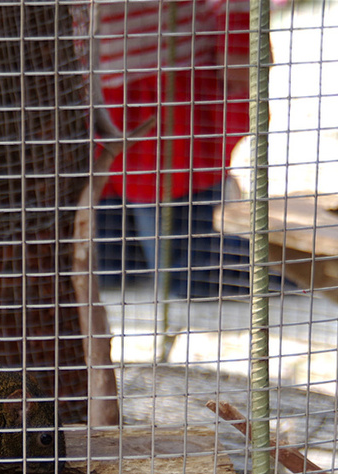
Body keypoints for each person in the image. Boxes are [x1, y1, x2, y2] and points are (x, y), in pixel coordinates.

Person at [96, 0, 261, 297]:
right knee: (109, 271)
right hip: (101, 83)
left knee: (186, 275)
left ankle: (308, 264)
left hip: (168, 82)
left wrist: (237, 41)